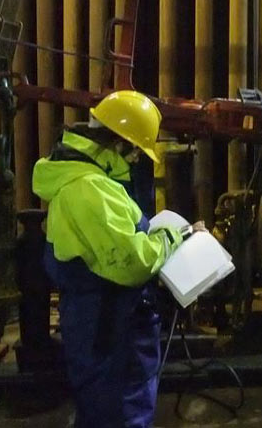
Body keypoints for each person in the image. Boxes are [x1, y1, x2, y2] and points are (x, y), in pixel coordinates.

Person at [33, 90, 200, 428]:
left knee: (107, 408)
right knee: (117, 411)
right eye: (137, 150)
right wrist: (172, 236)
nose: (137, 159)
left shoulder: (92, 181)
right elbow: (132, 261)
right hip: (109, 323)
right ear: (121, 142)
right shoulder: (90, 190)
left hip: (104, 318)